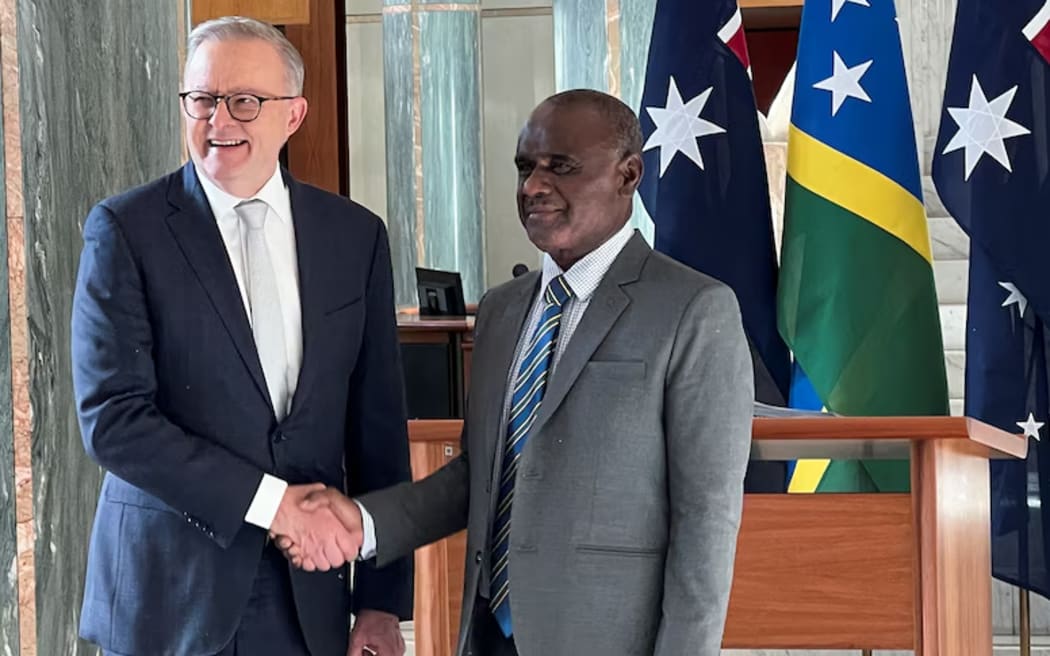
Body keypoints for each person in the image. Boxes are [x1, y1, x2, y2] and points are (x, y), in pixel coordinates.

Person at [287, 89, 754, 656]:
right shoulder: (502, 310)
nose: (534, 186)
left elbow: (705, 525)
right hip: (488, 634)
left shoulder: (695, 311)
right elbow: (478, 477)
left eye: (562, 167)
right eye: (525, 168)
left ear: (628, 175)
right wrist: (363, 523)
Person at [71, 16, 411, 656]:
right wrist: (274, 505)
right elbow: (113, 418)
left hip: (306, 599)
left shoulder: (354, 237)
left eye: (245, 101)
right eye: (201, 100)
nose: (219, 121)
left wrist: (381, 600)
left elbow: (378, 430)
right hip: (168, 599)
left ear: (294, 114)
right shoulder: (125, 229)